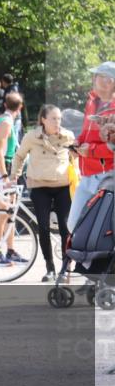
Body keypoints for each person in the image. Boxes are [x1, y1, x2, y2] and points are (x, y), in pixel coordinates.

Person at [8, 104, 76, 282]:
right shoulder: (31, 136)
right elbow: (19, 156)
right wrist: (14, 176)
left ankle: (65, 268)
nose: (57, 122)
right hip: (39, 186)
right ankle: (50, 268)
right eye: (53, 118)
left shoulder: (68, 136)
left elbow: (76, 158)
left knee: (65, 228)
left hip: (63, 186)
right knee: (43, 228)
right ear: (43, 120)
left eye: (59, 118)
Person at [68, 62, 115, 231]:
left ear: (109, 81)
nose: (93, 79)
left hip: (108, 176)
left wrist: (91, 151)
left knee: (105, 228)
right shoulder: (92, 101)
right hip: (87, 174)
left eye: (97, 76)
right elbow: (85, 133)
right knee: (73, 224)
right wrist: (78, 143)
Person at [0, 91, 26, 266]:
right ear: (20, 107)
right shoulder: (6, 122)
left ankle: (10, 250)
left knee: (11, 211)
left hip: (7, 167)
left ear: (5, 105)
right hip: (6, 168)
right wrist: (4, 174)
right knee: (3, 212)